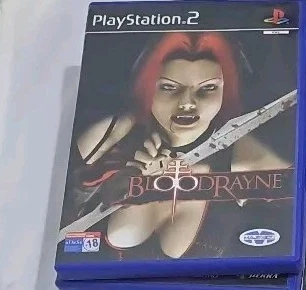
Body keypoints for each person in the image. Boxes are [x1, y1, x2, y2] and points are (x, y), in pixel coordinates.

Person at [69, 32, 290, 258]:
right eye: (169, 87)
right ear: (148, 87)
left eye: (208, 88)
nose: (187, 103)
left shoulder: (245, 158)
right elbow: (64, 219)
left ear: (226, 91)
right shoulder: (114, 135)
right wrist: (115, 186)